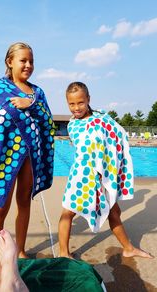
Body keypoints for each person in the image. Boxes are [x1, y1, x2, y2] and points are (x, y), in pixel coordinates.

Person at [0, 42, 55, 258]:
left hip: (30, 155)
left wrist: (31, 104)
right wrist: (27, 107)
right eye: (23, 60)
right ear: (10, 62)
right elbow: (4, 110)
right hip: (7, 154)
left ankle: (21, 250)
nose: (28, 65)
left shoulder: (38, 92)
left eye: (31, 61)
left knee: (24, 201)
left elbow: (47, 120)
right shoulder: (1, 86)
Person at [58, 81, 153, 259]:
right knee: (68, 212)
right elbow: (85, 150)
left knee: (114, 211)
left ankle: (128, 248)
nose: (76, 107)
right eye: (71, 103)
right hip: (81, 177)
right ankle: (64, 253)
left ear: (88, 99)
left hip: (103, 176)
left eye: (80, 102)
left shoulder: (102, 119)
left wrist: (109, 168)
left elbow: (117, 135)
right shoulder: (72, 125)